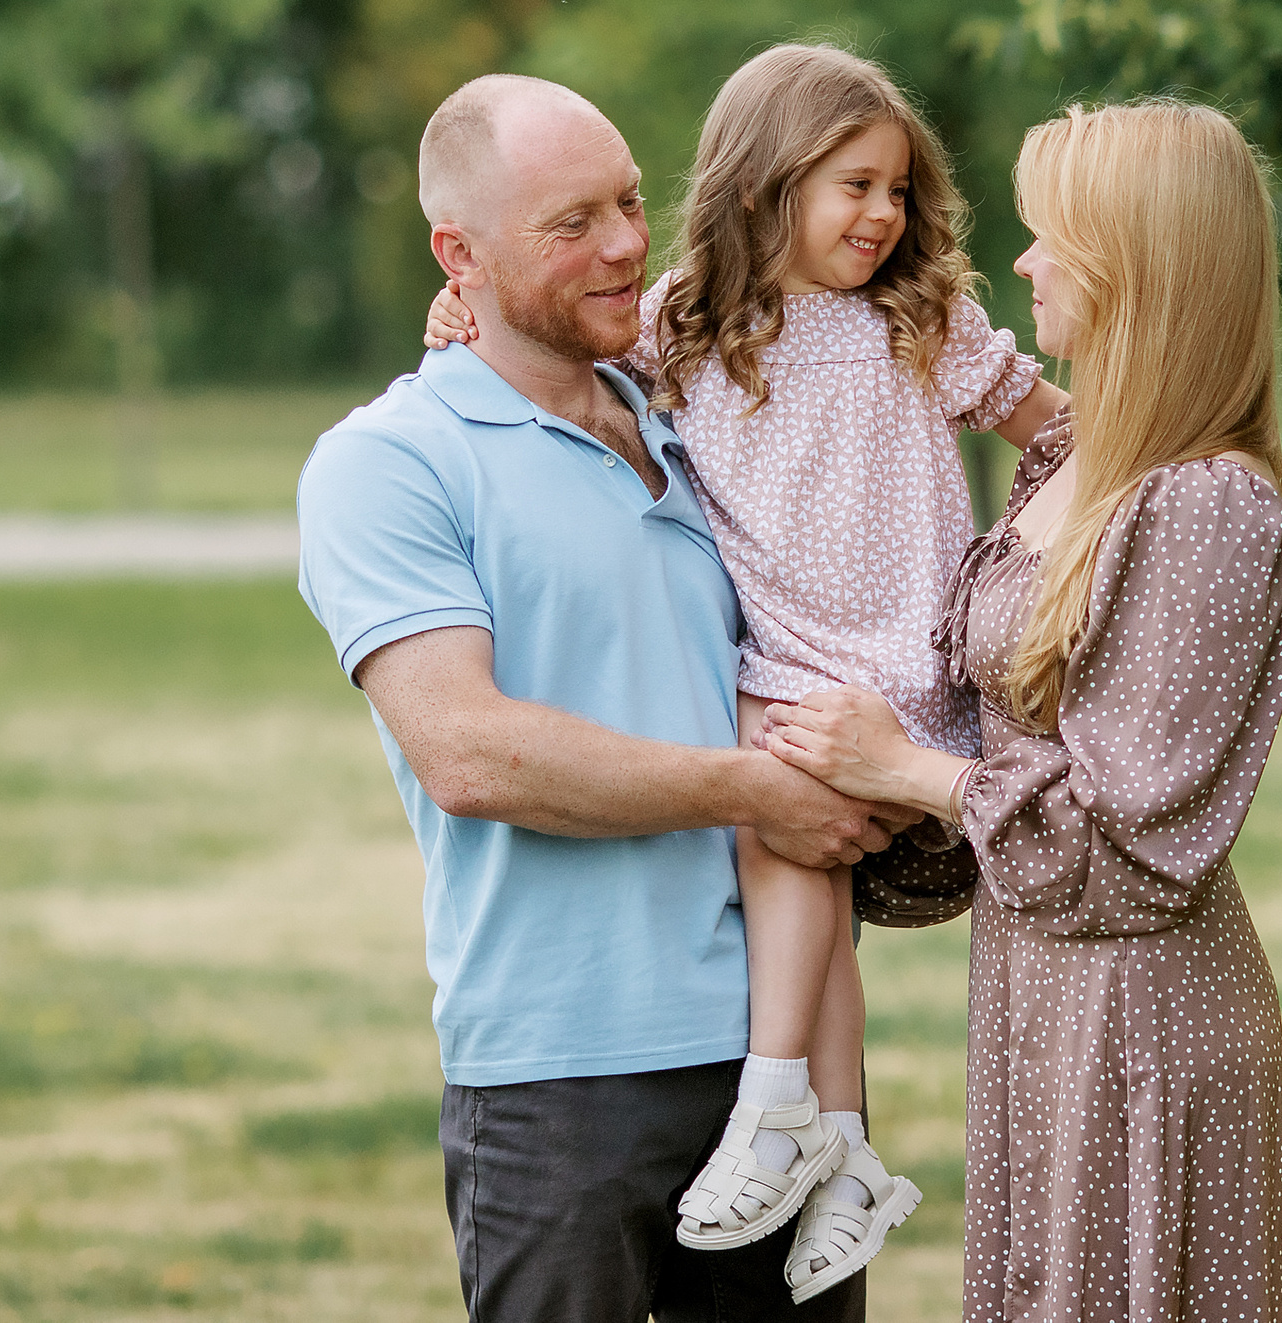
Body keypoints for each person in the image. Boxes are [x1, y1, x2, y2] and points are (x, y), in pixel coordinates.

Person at [424, 43, 1064, 1300]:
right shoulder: (683, 323)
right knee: (796, 865)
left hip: (892, 669)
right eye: (852, 187)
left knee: (788, 841)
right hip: (783, 656)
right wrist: (458, 314)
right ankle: (836, 1150)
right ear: (765, 185)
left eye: (897, 193)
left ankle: (784, 1106)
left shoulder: (920, 321)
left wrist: (1118, 492)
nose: (882, 217)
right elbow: (537, 351)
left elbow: (1058, 427)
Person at [296, 72, 917, 1322]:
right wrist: (757, 791)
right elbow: (468, 753)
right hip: (559, 1081)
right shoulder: (390, 463)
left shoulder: (704, 405)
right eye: (572, 223)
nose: (629, 243)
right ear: (455, 255)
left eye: (631, 202)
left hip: (772, 1082)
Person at [762, 98, 1282, 1322]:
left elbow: (1132, 841)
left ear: (1136, 269)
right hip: (1037, 989)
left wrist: (907, 773)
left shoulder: (1205, 506)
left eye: (1050, 235)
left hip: (1141, 1015)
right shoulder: (1074, 460)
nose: (1021, 263)